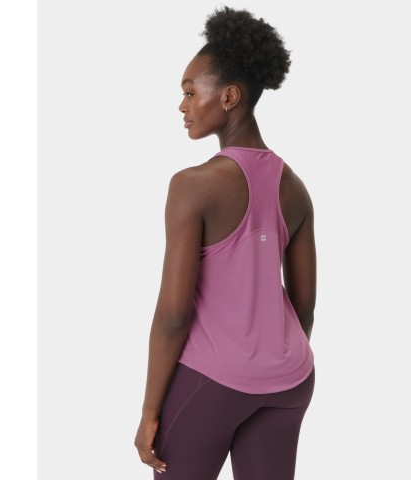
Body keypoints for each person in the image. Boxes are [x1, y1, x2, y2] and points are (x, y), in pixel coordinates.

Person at [134, 6, 316, 479]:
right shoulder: (295, 188)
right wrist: (271, 364)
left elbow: (173, 315)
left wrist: (150, 410)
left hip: (213, 380)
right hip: (290, 380)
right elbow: (304, 307)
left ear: (230, 96)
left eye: (190, 92)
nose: (182, 106)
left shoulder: (192, 186)